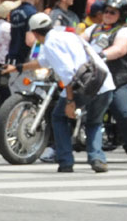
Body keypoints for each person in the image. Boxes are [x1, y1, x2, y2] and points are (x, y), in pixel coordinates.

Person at [25, 12, 115, 172]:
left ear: (35, 33)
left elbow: (67, 75)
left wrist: (70, 102)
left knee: (58, 117)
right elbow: (43, 62)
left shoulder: (50, 44)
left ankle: (66, 160)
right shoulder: (68, 35)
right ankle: (97, 158)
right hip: (104, 81)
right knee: (94, 122)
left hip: (84, 85)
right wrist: (18, 67)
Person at [87, 0, 127, 164]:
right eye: (106, 11)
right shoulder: (93, 29)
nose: (107, 14)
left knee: (121, 109)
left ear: (121, 15)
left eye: (112, 12)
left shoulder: (125, 31)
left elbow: (120, 49)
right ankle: (57, 147)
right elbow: (79, 42)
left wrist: (101, 55)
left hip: (119, 79)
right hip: (93, 77)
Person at [4, 0, 42, 67]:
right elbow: (30, 41)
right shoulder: (33, 14)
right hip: (24, 62)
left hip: (12, 59)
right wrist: (41, 43)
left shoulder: (14, 12)